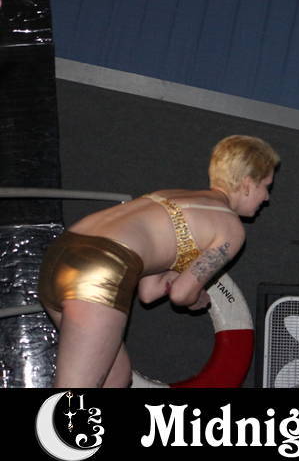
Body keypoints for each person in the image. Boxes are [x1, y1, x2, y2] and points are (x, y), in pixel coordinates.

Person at [37, 135, 279, 388]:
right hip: (101, 269)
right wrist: (197, 298)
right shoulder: (231, 228)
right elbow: (181, 294)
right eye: (266, 187)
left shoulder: (171, 196)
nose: (266, 198)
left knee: (116, 378)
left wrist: (177, 277)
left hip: (62, 253)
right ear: (247, 184)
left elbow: (149, 292)